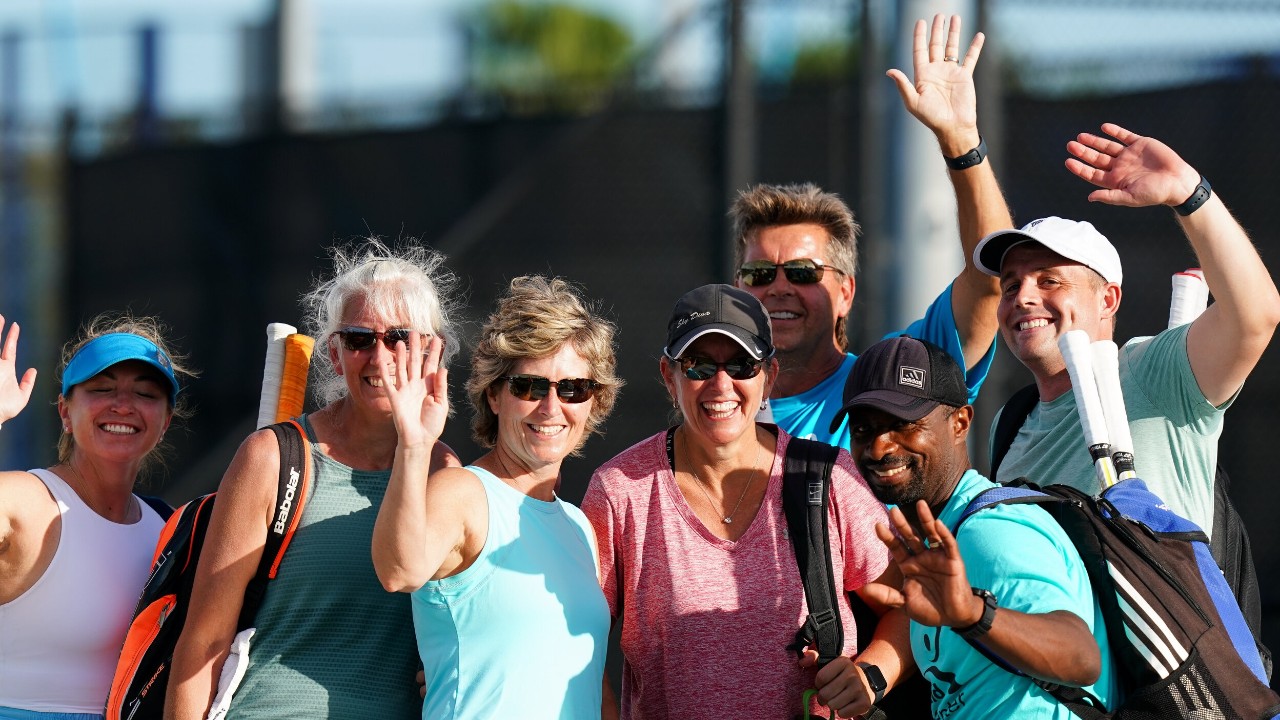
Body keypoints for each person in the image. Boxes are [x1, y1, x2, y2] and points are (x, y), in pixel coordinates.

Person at [582, 284, 910, 720]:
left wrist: (871, 674)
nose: (721, 384)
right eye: (698, 366)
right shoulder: (621, 489)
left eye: (741, 365)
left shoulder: (829, 478)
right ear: (668, 375)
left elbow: (911, 607)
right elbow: (573, 642)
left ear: (769, 376)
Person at [165, 240, 462, 719]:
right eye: (360, 339)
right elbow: (204, 641)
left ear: (433, 351)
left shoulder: (446, 473)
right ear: (335, 354)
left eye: (399, 337)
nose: (379, 356)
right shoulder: (273, 458)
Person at [976, 123, 1280, 536]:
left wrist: (1189, 194)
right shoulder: (1010, 423)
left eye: (1049, 281)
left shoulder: (1152, 370)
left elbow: (1256, 314)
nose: (1022, 297)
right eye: (1011, 285)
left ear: (1107, 301)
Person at [733, 14, 1010, 449]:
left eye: (803, 272)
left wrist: (961, 143)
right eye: (760, 273)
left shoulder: (894, 381)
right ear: (737, 289)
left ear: (845, 292)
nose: (778, 287)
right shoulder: (710, 403)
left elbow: (994, 276)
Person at [372, 275, 622, 719]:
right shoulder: (464, 491)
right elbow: (400, 571)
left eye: (573, 389)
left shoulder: (578, 526)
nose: (551, 406)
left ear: (593, 402)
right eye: (529, 386)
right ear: (493, 394)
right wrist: (413, 445)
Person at [835, 335, 1117, 718]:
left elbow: (1082, 658)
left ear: (961, 422)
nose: (879, 447)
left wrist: (972, 613)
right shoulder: (940, 535)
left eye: (903, 424)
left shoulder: (991, 532)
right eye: (864, 429)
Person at [0, 312, 195, 720]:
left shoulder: (169, 529)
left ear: (164, 423)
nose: (123, 405)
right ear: (65, 413)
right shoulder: (27, 500)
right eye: (102, 389)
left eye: (146, 394)